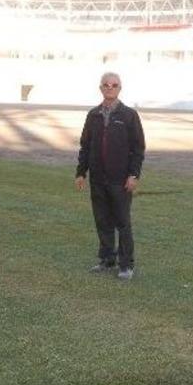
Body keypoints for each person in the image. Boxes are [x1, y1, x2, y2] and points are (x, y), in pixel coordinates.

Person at [75, 72, 145, 280]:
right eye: (106, 85)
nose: (110, 88)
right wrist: (81, 172)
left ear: (119, 89)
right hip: (98, 178)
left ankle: (126, 265)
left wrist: (133, 175)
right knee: (102, 220)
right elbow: (85, 146)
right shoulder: (93, 115)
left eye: (114, 85)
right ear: (101, 88)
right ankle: (107, 259)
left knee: (122, 222)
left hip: (120, 180)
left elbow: (138, 148)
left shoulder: (129, 115)